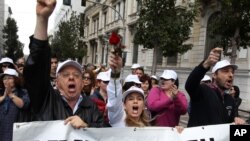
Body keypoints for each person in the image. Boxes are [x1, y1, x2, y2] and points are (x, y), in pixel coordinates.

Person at [23, 0, 104, 128]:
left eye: (77, 75)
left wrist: (87, 128)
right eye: (66, 75)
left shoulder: (92, 107)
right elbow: (36, 67)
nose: (71, 77)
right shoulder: (46, 100)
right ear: (57, 82)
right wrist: (42, 19)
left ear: (82, 83)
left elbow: (104, 134)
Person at [185, 47, 245, 127]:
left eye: (232, 72)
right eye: (225, 71)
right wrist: (206, 64)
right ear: (214, 75)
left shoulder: (230, 100)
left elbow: (231, 124)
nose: (231, 75)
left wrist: (237, 121)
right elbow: (190, 84)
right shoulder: (203, 91)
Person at [107, 53, 150, 127]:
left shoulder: (148, 128)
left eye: (139, 99)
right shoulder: (118, 120)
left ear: (143, 106)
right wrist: (115, 73)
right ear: (124, 105)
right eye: (131, 99)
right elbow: (114, 101)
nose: (135, 101)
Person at [0, 68, 30, 141]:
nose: (6, 81)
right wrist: (4, 96)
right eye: (4, 79)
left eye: (10, 78)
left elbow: (23, 105)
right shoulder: (1, 92)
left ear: (16, 80)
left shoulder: (22, 92)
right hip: (2, 129)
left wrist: (10, 94)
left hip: (15, 129)